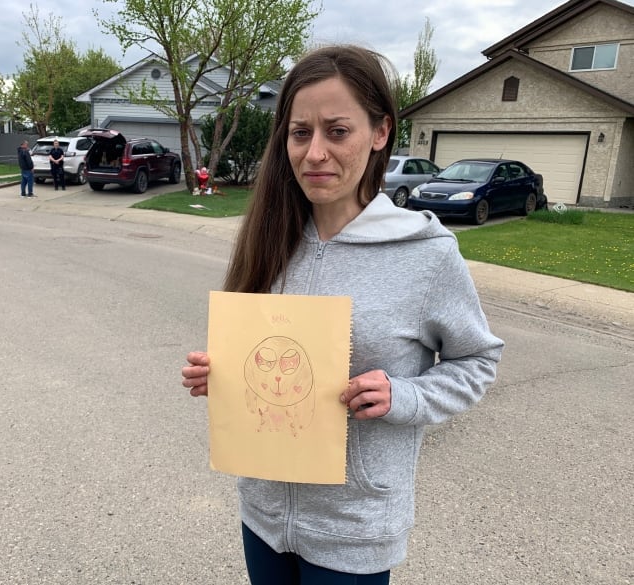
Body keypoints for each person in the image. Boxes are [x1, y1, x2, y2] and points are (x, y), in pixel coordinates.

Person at [180, 45, 504, 584]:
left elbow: (477, 361)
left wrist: (405, 396)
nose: (314, 153)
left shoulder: (426, 253)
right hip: (262, 513)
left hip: (355, 526)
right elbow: (266, 358)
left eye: (337, 131)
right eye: (299, 132)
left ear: (380, 133)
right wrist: (224, 376)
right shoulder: (269, 237)